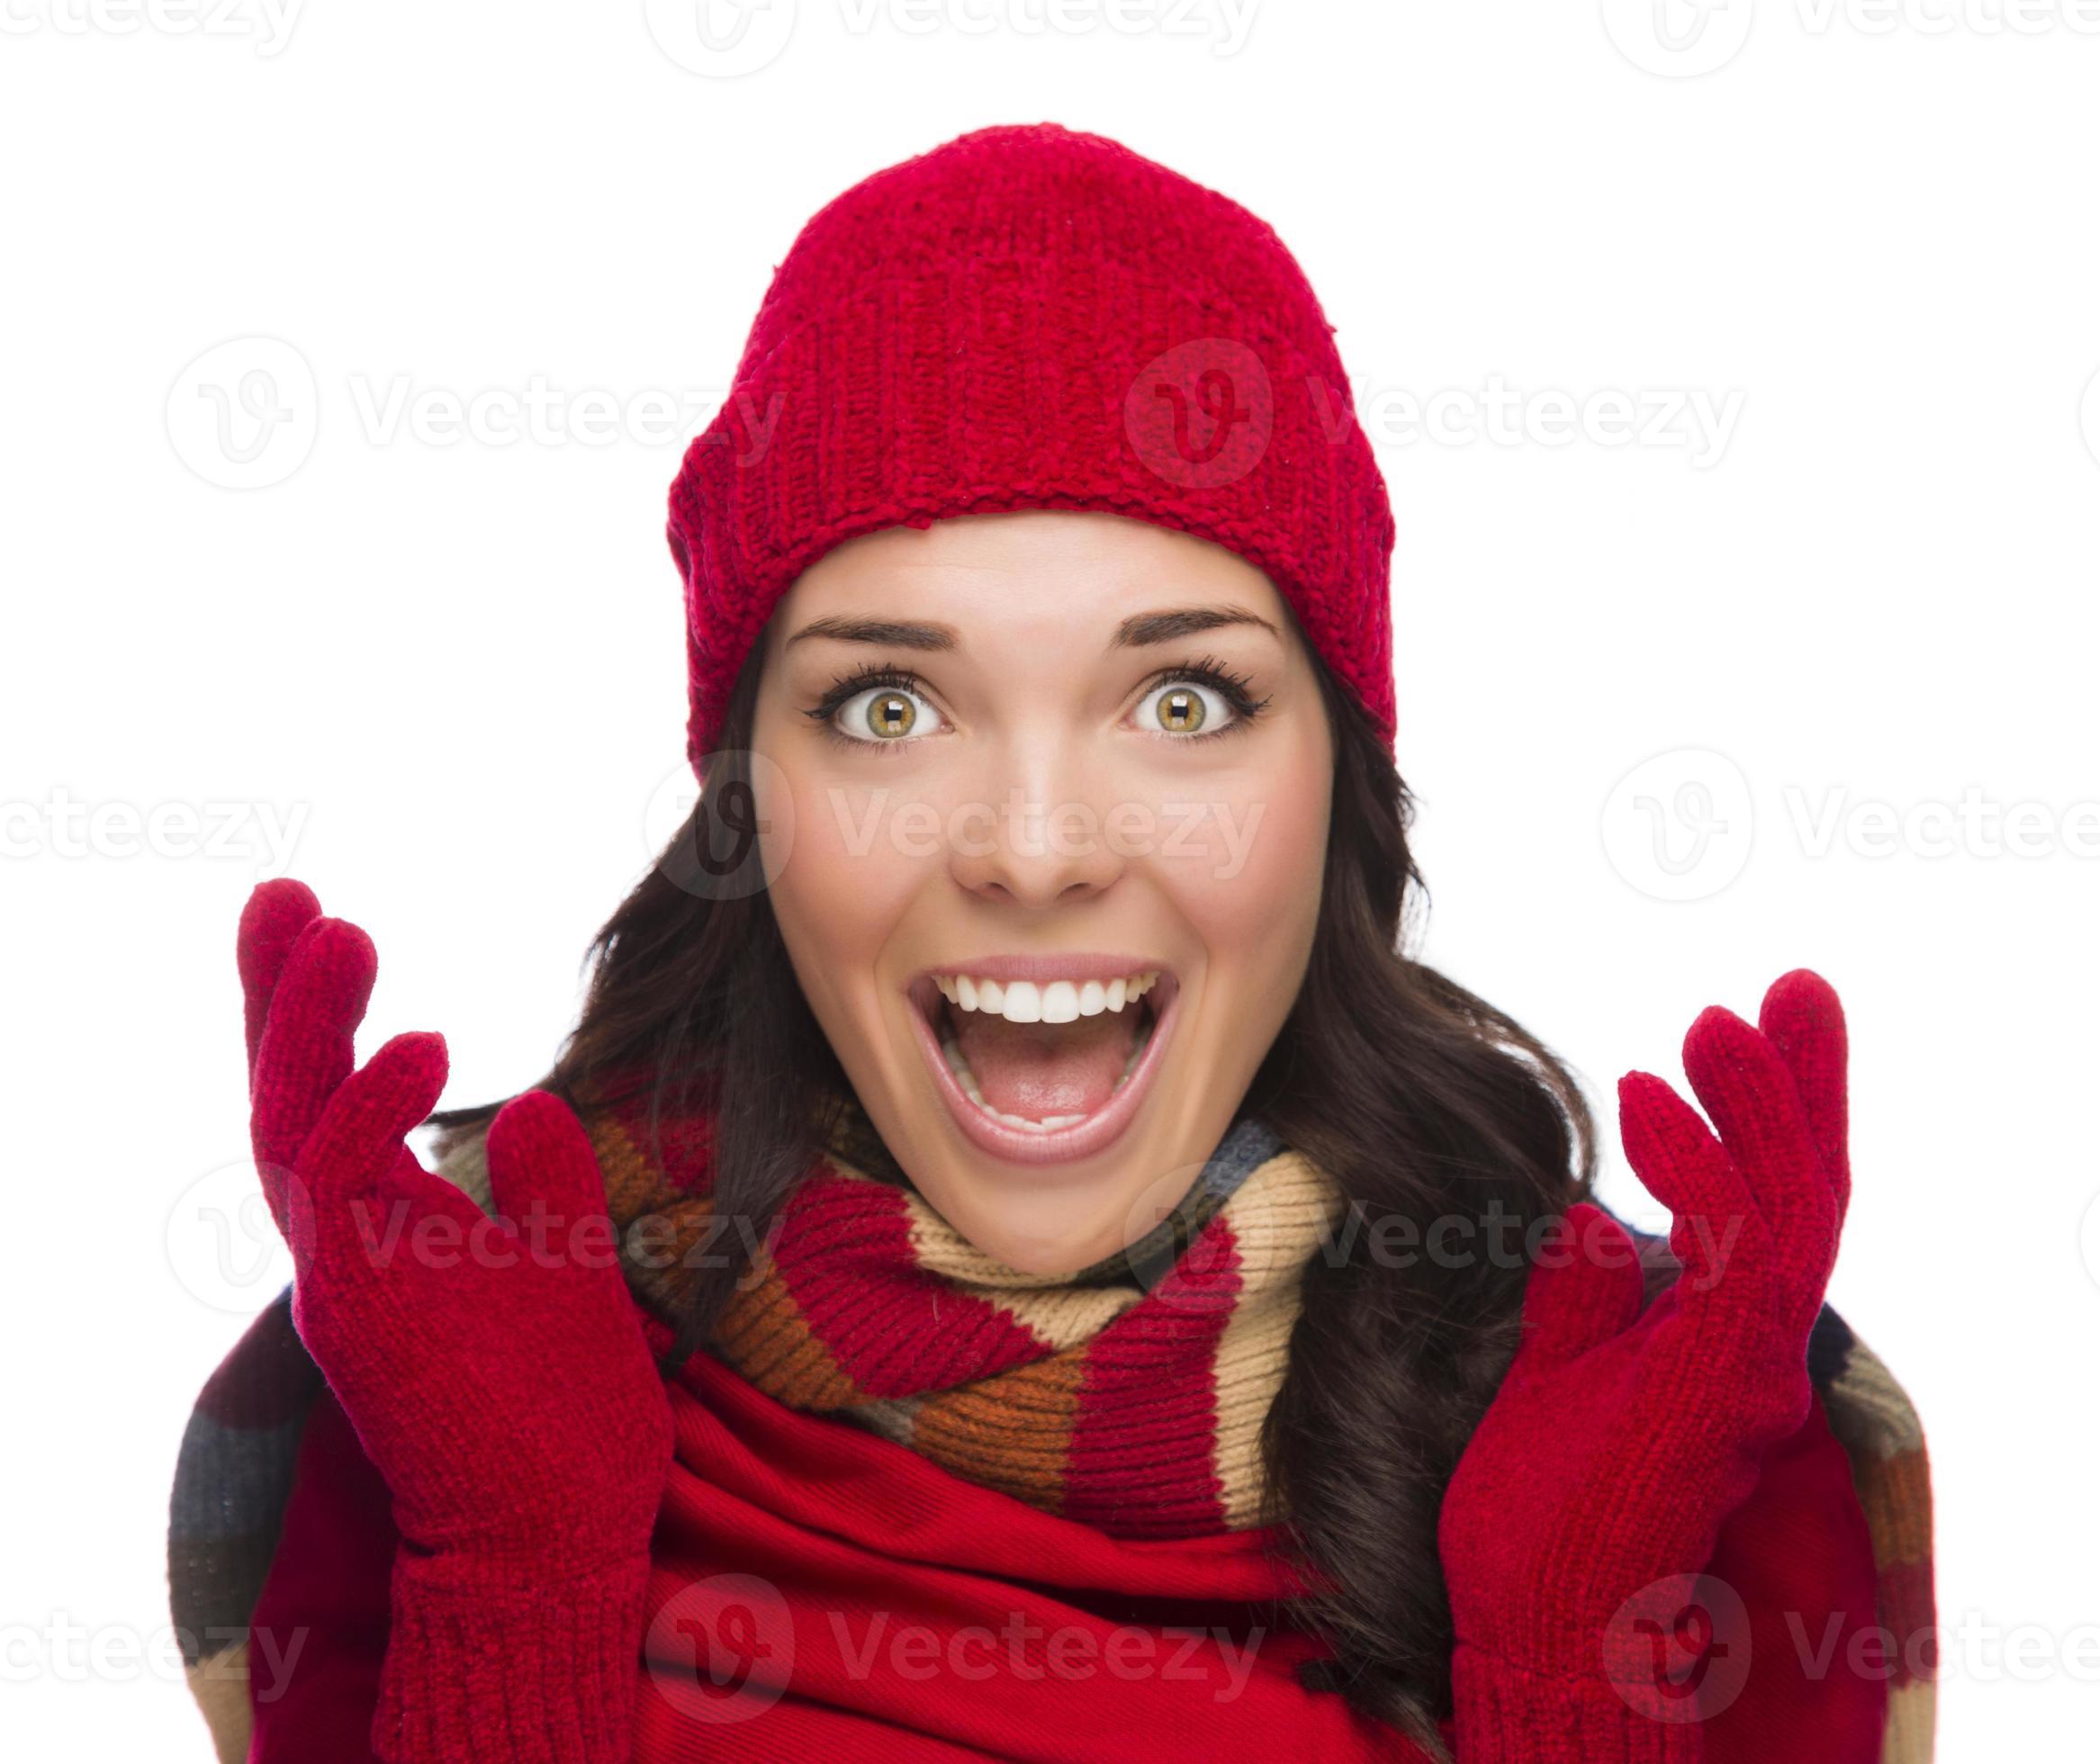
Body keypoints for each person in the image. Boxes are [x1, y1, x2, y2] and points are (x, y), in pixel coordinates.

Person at [167, 123, 1935, 1762]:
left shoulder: (1678, 1414)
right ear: (746, 798)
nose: (1031, 849)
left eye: (1181, 697)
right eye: (883, 704)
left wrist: (1572, 1674)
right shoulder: (430, 1363)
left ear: (1343, 779)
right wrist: (513, 1595)